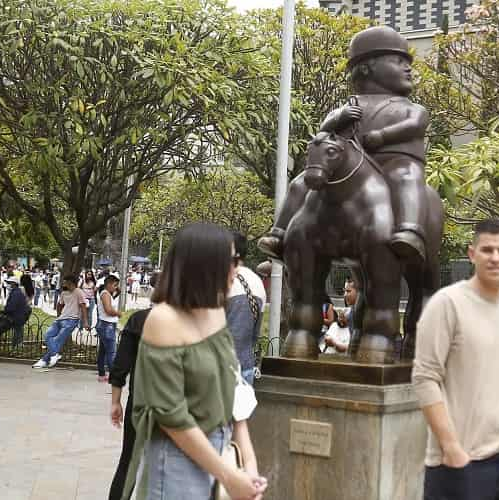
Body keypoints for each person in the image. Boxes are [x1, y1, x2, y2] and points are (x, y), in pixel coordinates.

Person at [259, 26, 430, 265]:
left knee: (407, 178)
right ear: (367, 68)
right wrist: (339, 118)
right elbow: (322, 135)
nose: (407, 67)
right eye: (398, 61)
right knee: (299, 184)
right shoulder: (349, 105)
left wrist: (381, 136)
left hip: (394, 161)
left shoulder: (410, 106)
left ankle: (409, 231)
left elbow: (415, 125)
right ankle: (279, 234)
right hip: (350, 166)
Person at [121, 223, 267, 500]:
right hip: (177, 458)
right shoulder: (164, 320)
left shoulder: (216, 311)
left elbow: (233, 389)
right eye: (233, 260)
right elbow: (171, 416)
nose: (238, 268)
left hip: (221, 448)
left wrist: (248, 465)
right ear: (207, 264)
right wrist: (229, 476)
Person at [412, 219, 499, 500]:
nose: (496, 258)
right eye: (487, 250)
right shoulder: (447, 303)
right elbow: (425, 378)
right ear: (472, 254)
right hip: (458, 465)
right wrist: (451, 448)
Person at [108, 272, 159, 500]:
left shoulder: (139, 320)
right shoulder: (189, 322)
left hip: (139, 402)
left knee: (128, 459)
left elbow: (120, 366)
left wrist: (115, 402)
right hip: (176, 407)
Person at [226, 230, 267, 385]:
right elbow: (255, 333)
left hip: (221, 370)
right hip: (246, 367)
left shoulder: (224, 278)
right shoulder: (257, 281)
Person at [32, 274, 90, 369]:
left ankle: (44, 360)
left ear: (70, 282)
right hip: (61, 319)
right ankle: (54, 355)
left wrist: (85, 322)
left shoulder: (78, 292)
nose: (63, 283)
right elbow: (60, 305)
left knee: (58, 340)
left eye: (65, 282)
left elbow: (83, 307)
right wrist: (58, 316)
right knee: (48, 335)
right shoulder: (64, 293)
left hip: (72, 319)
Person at [0, 276, 31, 362]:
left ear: (14, 284)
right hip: (13, 317)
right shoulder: (16, 292)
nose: (8, 284)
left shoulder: (16, 293)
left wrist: (2, 313)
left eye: (9, 283)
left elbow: (10, 308)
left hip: (13, 319)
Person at [96, 275, 122, 382]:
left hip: (106, 325)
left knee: (103, 351)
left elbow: (111, 303)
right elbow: (108, 310)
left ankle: (102, 374)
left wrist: (117, 291)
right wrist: (118, 313)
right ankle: (114, 375)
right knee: (111, 352)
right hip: (108, 325)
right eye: (115, 285)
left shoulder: (106, 294)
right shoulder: (105, 294)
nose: (116, 288)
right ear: (109, 284)